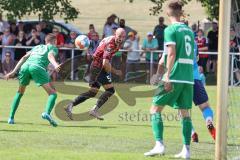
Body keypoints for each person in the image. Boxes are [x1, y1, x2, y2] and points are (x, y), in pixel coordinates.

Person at [144, 1, 195, 159]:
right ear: (181, 13)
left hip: (174, 75)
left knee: (155, 109)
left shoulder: (170, 29)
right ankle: (186, 150)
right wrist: (159, 71)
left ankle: (159, 145)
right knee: (185, 113)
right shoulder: (189, 31)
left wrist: (166, 76)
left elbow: (171, 53)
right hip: (188, 78)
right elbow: (169, 55)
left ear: (167, 13)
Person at [65, 28, 126, 120]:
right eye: (119, 36)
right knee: (110, 90)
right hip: (99, 68)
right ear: (115, 34)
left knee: (92, 92)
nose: (120, 38)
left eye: (123, 36)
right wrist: (115, 71)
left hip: (96, 66)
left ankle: (70, 105)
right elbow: (105, 62)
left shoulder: (111, 40)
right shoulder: (111, 44)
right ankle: (94, 110)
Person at [4, 33, 61, 127]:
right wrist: (55, 65)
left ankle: (11, 118)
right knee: (53, 93)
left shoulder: (37, 47)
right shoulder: (53, 48)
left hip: (25, 67)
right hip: (37, 67)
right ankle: (46, 113)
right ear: (54, 41)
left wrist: (13, 71)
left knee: (20, 92)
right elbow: (50, 56)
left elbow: (24, 57)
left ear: (45, 41)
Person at [191, 43, 215, 143]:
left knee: (182, 110)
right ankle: (208, 120)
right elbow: (196, 58)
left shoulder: (175, 37)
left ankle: (192, 133)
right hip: (195, 77)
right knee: (205, 107)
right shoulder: (193, 42)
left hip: (181, 79)